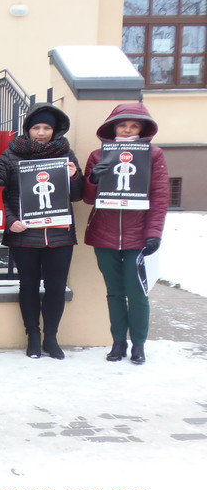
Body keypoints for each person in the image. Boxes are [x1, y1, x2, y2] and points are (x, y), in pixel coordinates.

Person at [0, 102, 84, 360]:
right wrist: (11, 221)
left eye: (46, 128)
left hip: (59, 234)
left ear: (54, 131)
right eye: (36, 128)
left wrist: (74, 176)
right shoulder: (11, 155)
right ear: (28, 129)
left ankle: (51, 337)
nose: (41, 133)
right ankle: (32, 335)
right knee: (28, 286)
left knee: (56, 287)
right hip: (25, 234)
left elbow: (78, 195)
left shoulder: (66, 154)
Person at [83, 102, 169, 365]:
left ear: (143, 129)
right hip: (104, 234)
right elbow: (88, 199)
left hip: (138, 237)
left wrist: (153, 233)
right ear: (114, 127)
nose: (129, 129)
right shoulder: (98, 156)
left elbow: (160, 196)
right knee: (114, 292)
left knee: (137, 293)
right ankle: (118, 342)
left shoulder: (154, 155)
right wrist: (93, 181)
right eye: (123, 125)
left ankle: (139, 344)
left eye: (134, 125)